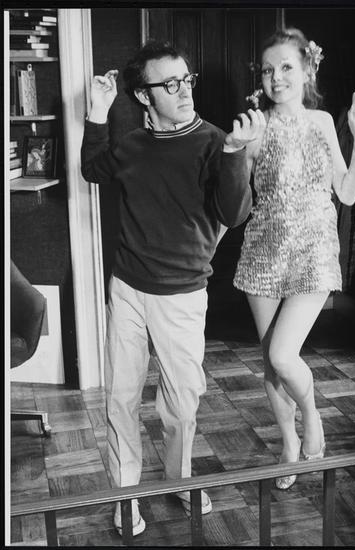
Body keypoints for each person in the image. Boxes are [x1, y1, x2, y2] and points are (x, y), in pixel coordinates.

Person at [81, 39, 265, 536]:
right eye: (170, 83)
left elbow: (234, 213)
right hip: (127, 289)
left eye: (187, 80)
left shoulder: (216, 141)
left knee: (181, 404)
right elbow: (92, 169)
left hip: (182, 295)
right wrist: (97, 113)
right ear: (144, 96)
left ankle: (179, 481)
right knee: (120, 398)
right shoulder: (131, 144)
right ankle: (125, 497)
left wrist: (236, 153)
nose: (184, 91)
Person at [234, 28, 355, 490]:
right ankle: (289, 443)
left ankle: (312, 417)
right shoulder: (256, 125)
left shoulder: (321, 123)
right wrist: (238, 150)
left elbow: (347, 193)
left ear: (307, 70)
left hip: (314, 251)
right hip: (263, 252)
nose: (276, 77)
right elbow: (236, 201)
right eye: (268, 70)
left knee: (283, 353)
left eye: (286, 67)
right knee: (271, 363)